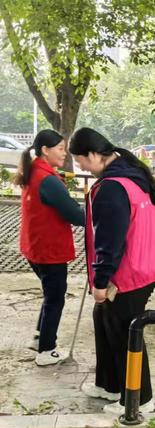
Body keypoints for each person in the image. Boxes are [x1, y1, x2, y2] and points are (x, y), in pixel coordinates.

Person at [69, 127, 155, 414]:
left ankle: (138, 398)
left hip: (132, 270)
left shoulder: (114, 186)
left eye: (80, 160)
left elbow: (110, 240)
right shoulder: (130, 175)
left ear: (93, 154)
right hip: (144, 263)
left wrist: (101, 280)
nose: (80, 166)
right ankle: (109, 385)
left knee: (123, 327)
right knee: (103, 317)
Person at [16, 129, 85, 366]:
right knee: (55, 298)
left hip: (34, 247)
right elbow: (74, 214)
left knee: (50, 295)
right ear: (45, 150)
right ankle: (47, 350)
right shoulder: (48, 180)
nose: (64, 154)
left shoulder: (33, 171)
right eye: (60, 149)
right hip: (48, 250)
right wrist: (96, 218)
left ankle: (39, 337)